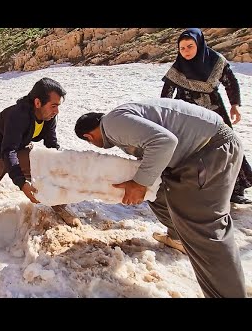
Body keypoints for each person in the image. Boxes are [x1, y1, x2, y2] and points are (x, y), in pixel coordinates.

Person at [74, 98, 246, 298]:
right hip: (203, 150)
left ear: (89, 136)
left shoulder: (112, 123)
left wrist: (139, 183)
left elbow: (164, 142)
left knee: (206, 232)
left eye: (91, 141)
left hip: (210, 151)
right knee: (158, 192)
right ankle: (176, 236)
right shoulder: (120, 121)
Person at [0, 77, 80, 248]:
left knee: (49, 165)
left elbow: (51, 146)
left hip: (17, 150)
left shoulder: (49, 117)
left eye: (58, 106)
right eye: (53, 106)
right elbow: (7, 151)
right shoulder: (17, 115)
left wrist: (61, 166)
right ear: (37, 102)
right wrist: (22, 184)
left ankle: (59, 205)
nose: (56, 111)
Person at [161, 28, 252, 205]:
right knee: (190, 150)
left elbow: (230, 82)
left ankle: (235, 189)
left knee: (226, 146)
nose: (186, 51)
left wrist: (235, 106)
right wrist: (163, 114)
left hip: (214, 111)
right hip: (186, 114)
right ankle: (189, 188)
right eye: (182, 48)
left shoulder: (216, 62)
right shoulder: (178, 66)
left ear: (199, 44)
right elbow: (167, 93)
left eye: (190, 46)